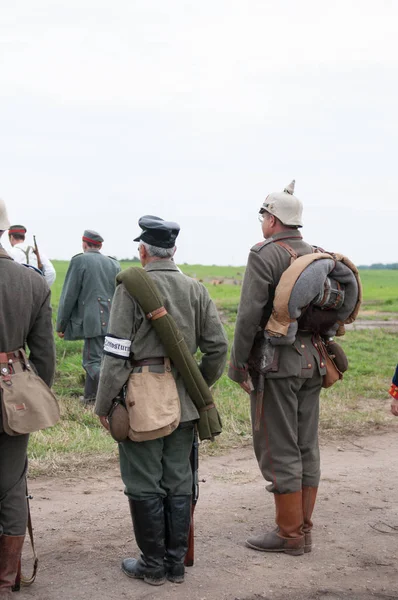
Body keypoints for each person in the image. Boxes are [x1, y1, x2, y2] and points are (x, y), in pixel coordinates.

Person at [95, 215, 228, 586]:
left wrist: (104, 403)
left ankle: (152, 565)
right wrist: (197, 382)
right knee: (179, 480)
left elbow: (117, 352)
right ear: (173, 250)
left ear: (142, 251)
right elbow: (218, 348)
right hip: (185, 402)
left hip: (141, 400)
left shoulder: (130, 288)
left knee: (142, 481)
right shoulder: (196, 289)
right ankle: (174, 565)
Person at [228, 181, 327, 557]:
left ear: (272, 219)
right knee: (306, 446)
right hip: (313, 361)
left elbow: (248, 316)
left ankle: (289, 536)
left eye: (263, 215)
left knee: (278, 447)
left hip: (277, 364)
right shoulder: (318, 253)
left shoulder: (264, 254)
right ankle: (304, 529)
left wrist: (238, 365)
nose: (262, 222)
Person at [0, 199, 56, 596]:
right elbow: (45, 357)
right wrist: (35, 396)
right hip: (13, 396)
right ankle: (5, 580)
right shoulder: (32, 281)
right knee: (11, 484)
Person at [56, 230, 121, 404]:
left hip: (92, 320)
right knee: (100, 358)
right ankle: (91, 397)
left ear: (84, 244)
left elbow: (68, 295)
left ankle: (115, 394)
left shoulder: (80, 260)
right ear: (100, 245)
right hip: (112, 319)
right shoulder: (114, 264)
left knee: (91, 361)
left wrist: (61, 325)